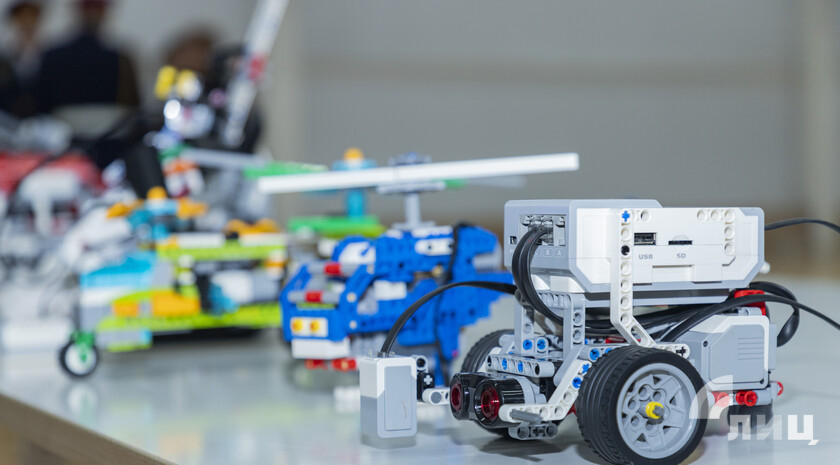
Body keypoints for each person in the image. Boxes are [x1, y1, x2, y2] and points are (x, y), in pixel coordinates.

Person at [36, 0, 140, 113]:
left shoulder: (53, 56)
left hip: (61, 120)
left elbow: (41, 103)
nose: (93, 14)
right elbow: (132, 106)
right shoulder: (121, 60)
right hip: (108, 121)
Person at [2, 0, 43, 116]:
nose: (27, 21)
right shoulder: (7, 44)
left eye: (31, 16)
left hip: (39, 100)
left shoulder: (48, 44)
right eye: (23, 16)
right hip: (10, 101)